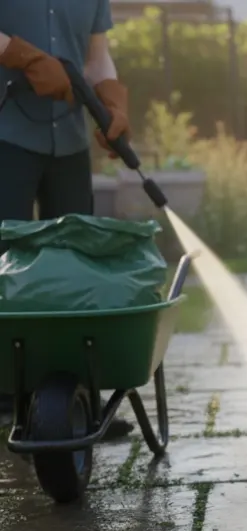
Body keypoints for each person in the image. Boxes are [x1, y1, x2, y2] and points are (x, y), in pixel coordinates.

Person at [0, 1, 134, 438]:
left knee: (76, 265)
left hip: (71, 139)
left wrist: (110, 97)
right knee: (6, 262)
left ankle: (78, 402)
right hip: (7, 132)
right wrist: (22, 55)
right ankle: (9, 396)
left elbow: (95, 56)